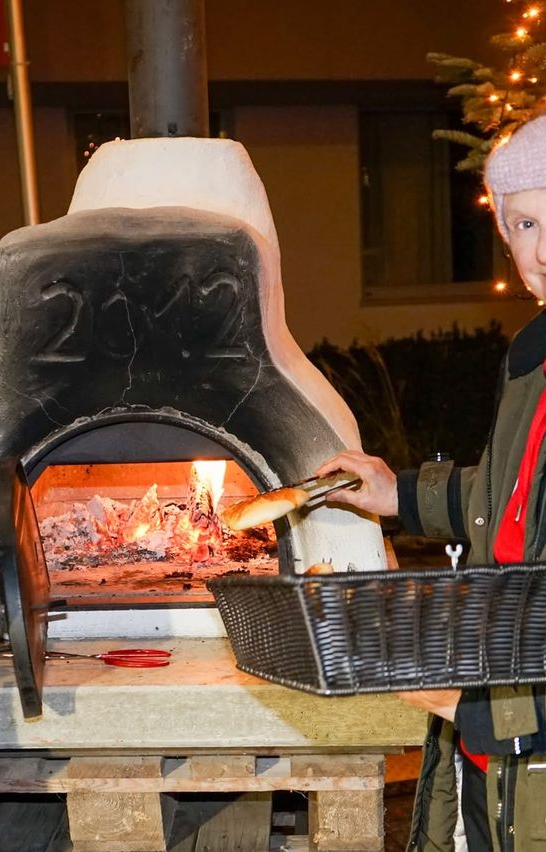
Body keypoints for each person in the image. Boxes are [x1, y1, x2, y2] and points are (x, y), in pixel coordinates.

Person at [316, 114, 546, 850]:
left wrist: (480, 709)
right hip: (495, 740)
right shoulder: (532, 360)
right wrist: (398, 494)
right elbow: (509, 501)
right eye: (527, 223)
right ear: (505, 237)